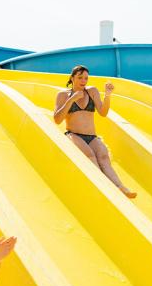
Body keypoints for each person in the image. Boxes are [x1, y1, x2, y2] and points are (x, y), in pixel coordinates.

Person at [54, 65, 136, 198]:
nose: (83, 81)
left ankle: (120, 187)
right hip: (73, 134)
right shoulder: (63, 95)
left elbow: (103, 112)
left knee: (103, 156)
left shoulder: (91, 91)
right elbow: (57, 119)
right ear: (72, 78)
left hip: (91, 136)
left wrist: (108, 95)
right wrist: (71, 99)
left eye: (86, 78)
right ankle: (104, 187)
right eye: (80, 77)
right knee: (89, 155)